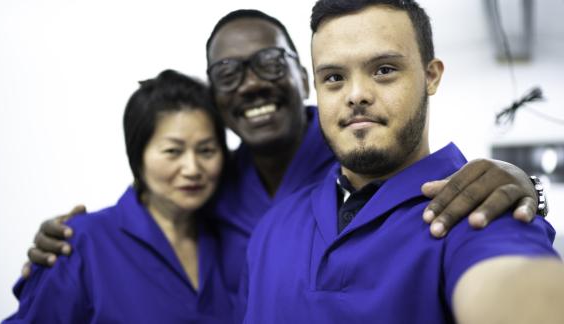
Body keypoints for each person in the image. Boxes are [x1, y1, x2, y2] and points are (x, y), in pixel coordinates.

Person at [25, 9, 541, 300]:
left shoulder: (362, 154)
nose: (251, 84)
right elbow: (149, 210)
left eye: (271, 62)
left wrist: (522, 183)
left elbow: (505, 279)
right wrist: (69, 244)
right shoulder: (214, 183)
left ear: (301, 80)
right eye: (228, 74)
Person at [238, 1, 564, 323]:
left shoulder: (479, 208)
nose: (356, 94)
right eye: (334, 77)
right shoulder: (271, 228)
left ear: (431, 76)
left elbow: (516, 282)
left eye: (384, 70)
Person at [4, 70, 232, 323]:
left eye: (206, 151)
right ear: (138, 156)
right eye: (173, 151)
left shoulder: (232, 239)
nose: (192, 169)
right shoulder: (79, 244)